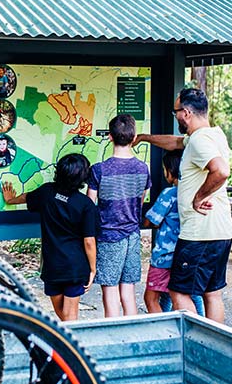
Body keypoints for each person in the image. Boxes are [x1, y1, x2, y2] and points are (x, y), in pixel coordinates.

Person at [134, 88, 232, 324]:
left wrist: (198, 197)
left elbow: (221, 171)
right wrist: (145, 137)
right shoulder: (212, 135)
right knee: (212, 293)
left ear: (186, 113)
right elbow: (176, 142)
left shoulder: (199, 140)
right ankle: (213, 347)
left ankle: (195, 343)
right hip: (221, 229)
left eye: (176, 112)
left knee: (179, 291)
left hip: (199, 232)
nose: (175, 116)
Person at [1, 153, 97, 321]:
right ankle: (70, 345)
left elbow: (27, 197)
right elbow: (89, 241)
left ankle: (65, 345)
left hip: (52, 266)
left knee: (64, 315)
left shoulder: (46, 192)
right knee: (68, 318)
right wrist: (93, 269)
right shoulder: (85, 204)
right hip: (74, 267)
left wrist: (10, 199)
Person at [87, 114, 151, 318]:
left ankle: (113, 336)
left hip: (107, 236)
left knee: (110, 290)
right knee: (128, 291)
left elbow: (90, 204)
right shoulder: (143, 168)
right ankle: (132, 335)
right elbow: (140, 201)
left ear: (109, 137)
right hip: (132, 234)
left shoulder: (99, 170)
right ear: (133, 138)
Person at [142, 150, 205, 316]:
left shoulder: (169, 194)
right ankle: (202, 326)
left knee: (151, 298)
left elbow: (152, 221)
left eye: (164, 169)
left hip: (164, 256)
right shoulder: (196, 192)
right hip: (188, 253)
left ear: (170, 171)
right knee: (189, 294)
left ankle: (161, 332)